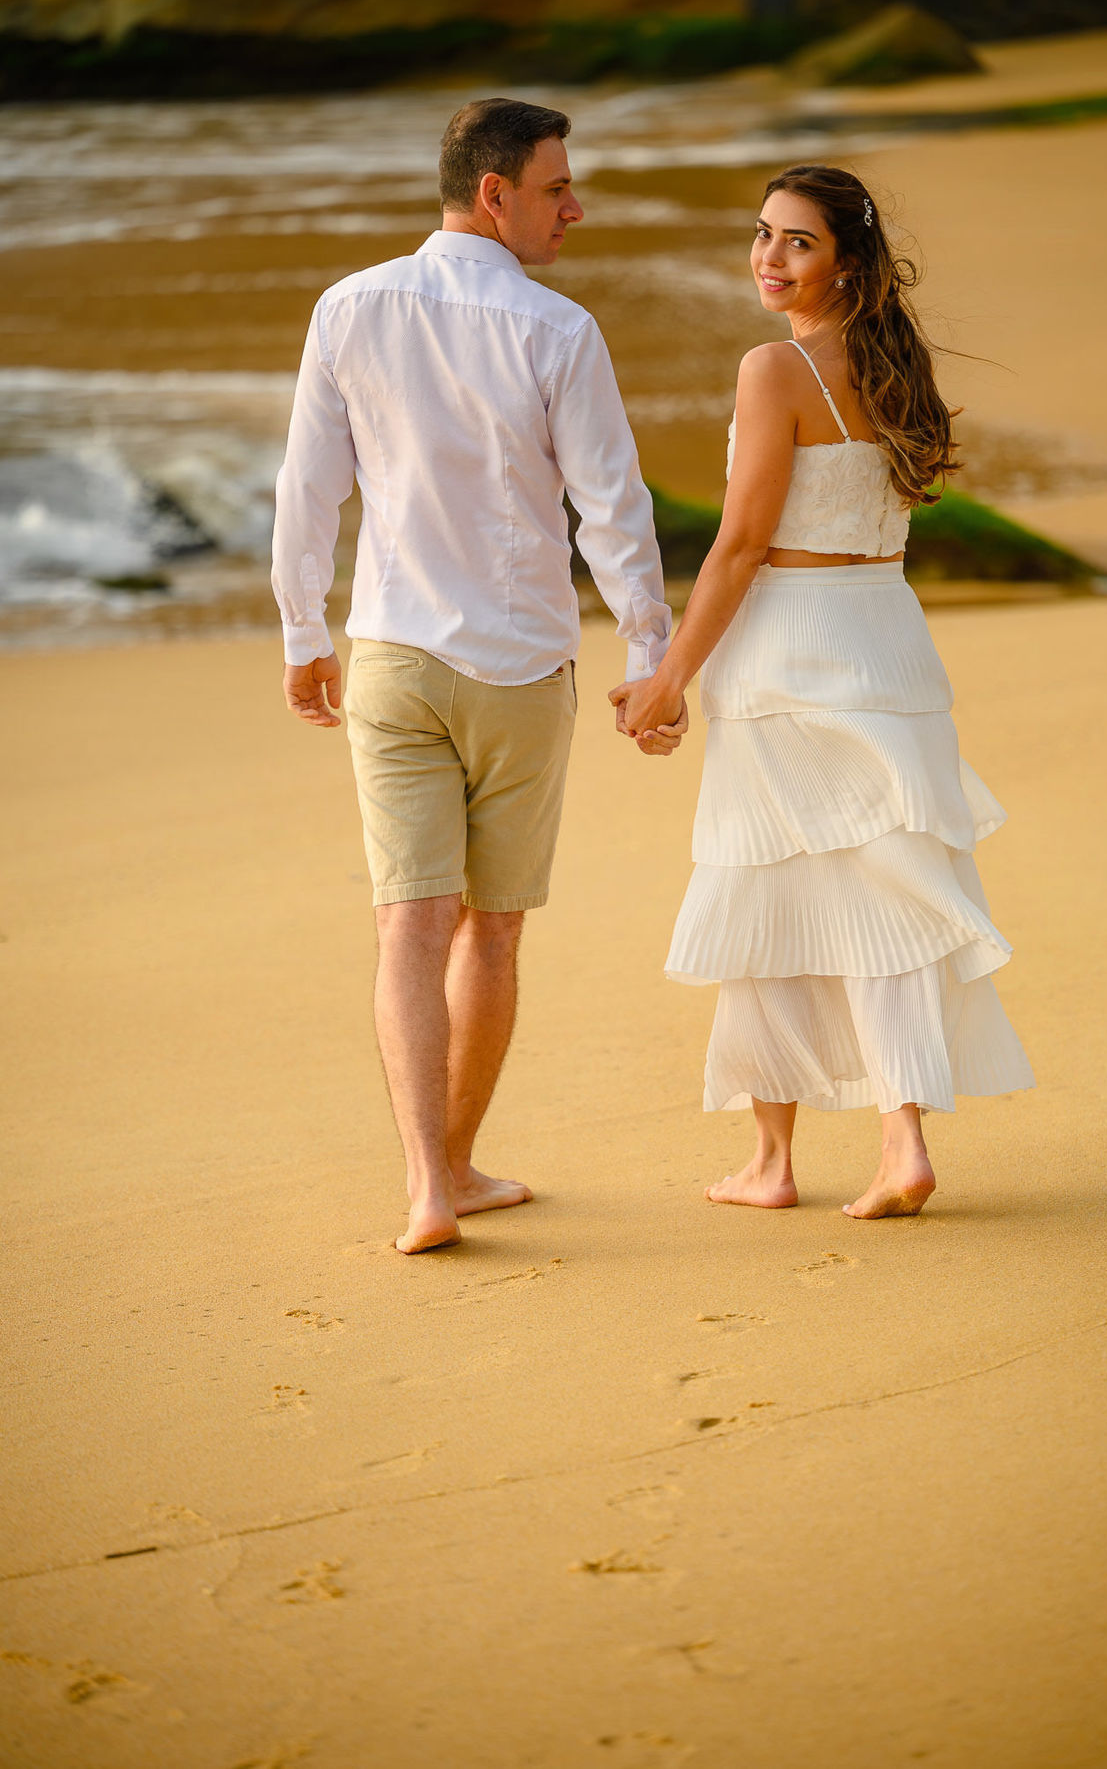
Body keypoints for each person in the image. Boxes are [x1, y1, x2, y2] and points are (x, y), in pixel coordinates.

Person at [271, 98, 683, 1255]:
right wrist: (649, 656)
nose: (575, 205)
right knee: (488, 936)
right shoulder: (559, 332)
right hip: (515, 666)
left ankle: (426, 1189)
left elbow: (310, 488)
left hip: (393, 656)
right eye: (558, 187)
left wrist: (304, 630)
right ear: (493, 193)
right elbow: (613, 512)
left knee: (408, 923)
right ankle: (452, 1165)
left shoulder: (349, 307)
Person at [610, 164, 1033, 1218]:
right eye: (762, 236)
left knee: (771, 896)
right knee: (881, 893)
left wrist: (669, 676)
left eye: (796, 241)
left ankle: (777, 1162)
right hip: (886, 638)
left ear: (847, 257)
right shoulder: (900, 365)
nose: (768, 257)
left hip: (790, 652)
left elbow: (743, 543)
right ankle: (890, 1145)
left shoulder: (774, 370)